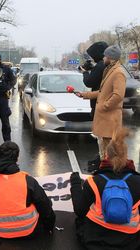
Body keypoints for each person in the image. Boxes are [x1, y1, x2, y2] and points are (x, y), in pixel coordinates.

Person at [70, 128, 140, 250]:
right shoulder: (137, 181)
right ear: (126, 155)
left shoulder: (94, 181)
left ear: (107, 155)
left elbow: (79, 210)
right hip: (131, 242)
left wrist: (75, 183)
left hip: (96, 241)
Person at [0, 141, 56, 238]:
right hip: (27, 230)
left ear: (0, 156)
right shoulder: (27, 180)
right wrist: (49, 227)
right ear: (17, 158)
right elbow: (45, 206)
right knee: (43, 201)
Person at [76, 45, 126, 163]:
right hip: (105, 120)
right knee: (104, 152)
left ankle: (107, 175)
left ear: (110, 57)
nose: (103, 58)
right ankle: (104, 172)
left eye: (105, 56)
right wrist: (84, 95)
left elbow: (118, 95)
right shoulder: (110, 70)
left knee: (109, 154)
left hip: (109, 119)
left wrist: (104, 106)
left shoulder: (118, 73)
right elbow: (103, 92)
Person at [79, 41, 109, 172]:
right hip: (99, 102)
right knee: (101, 136)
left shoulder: (101, 66)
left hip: (99, 104)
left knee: (101, 136)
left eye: (92, 55)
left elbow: (90, 81)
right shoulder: (103, 66)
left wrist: (85, 72)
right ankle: (102, 159)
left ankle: (103, 162)